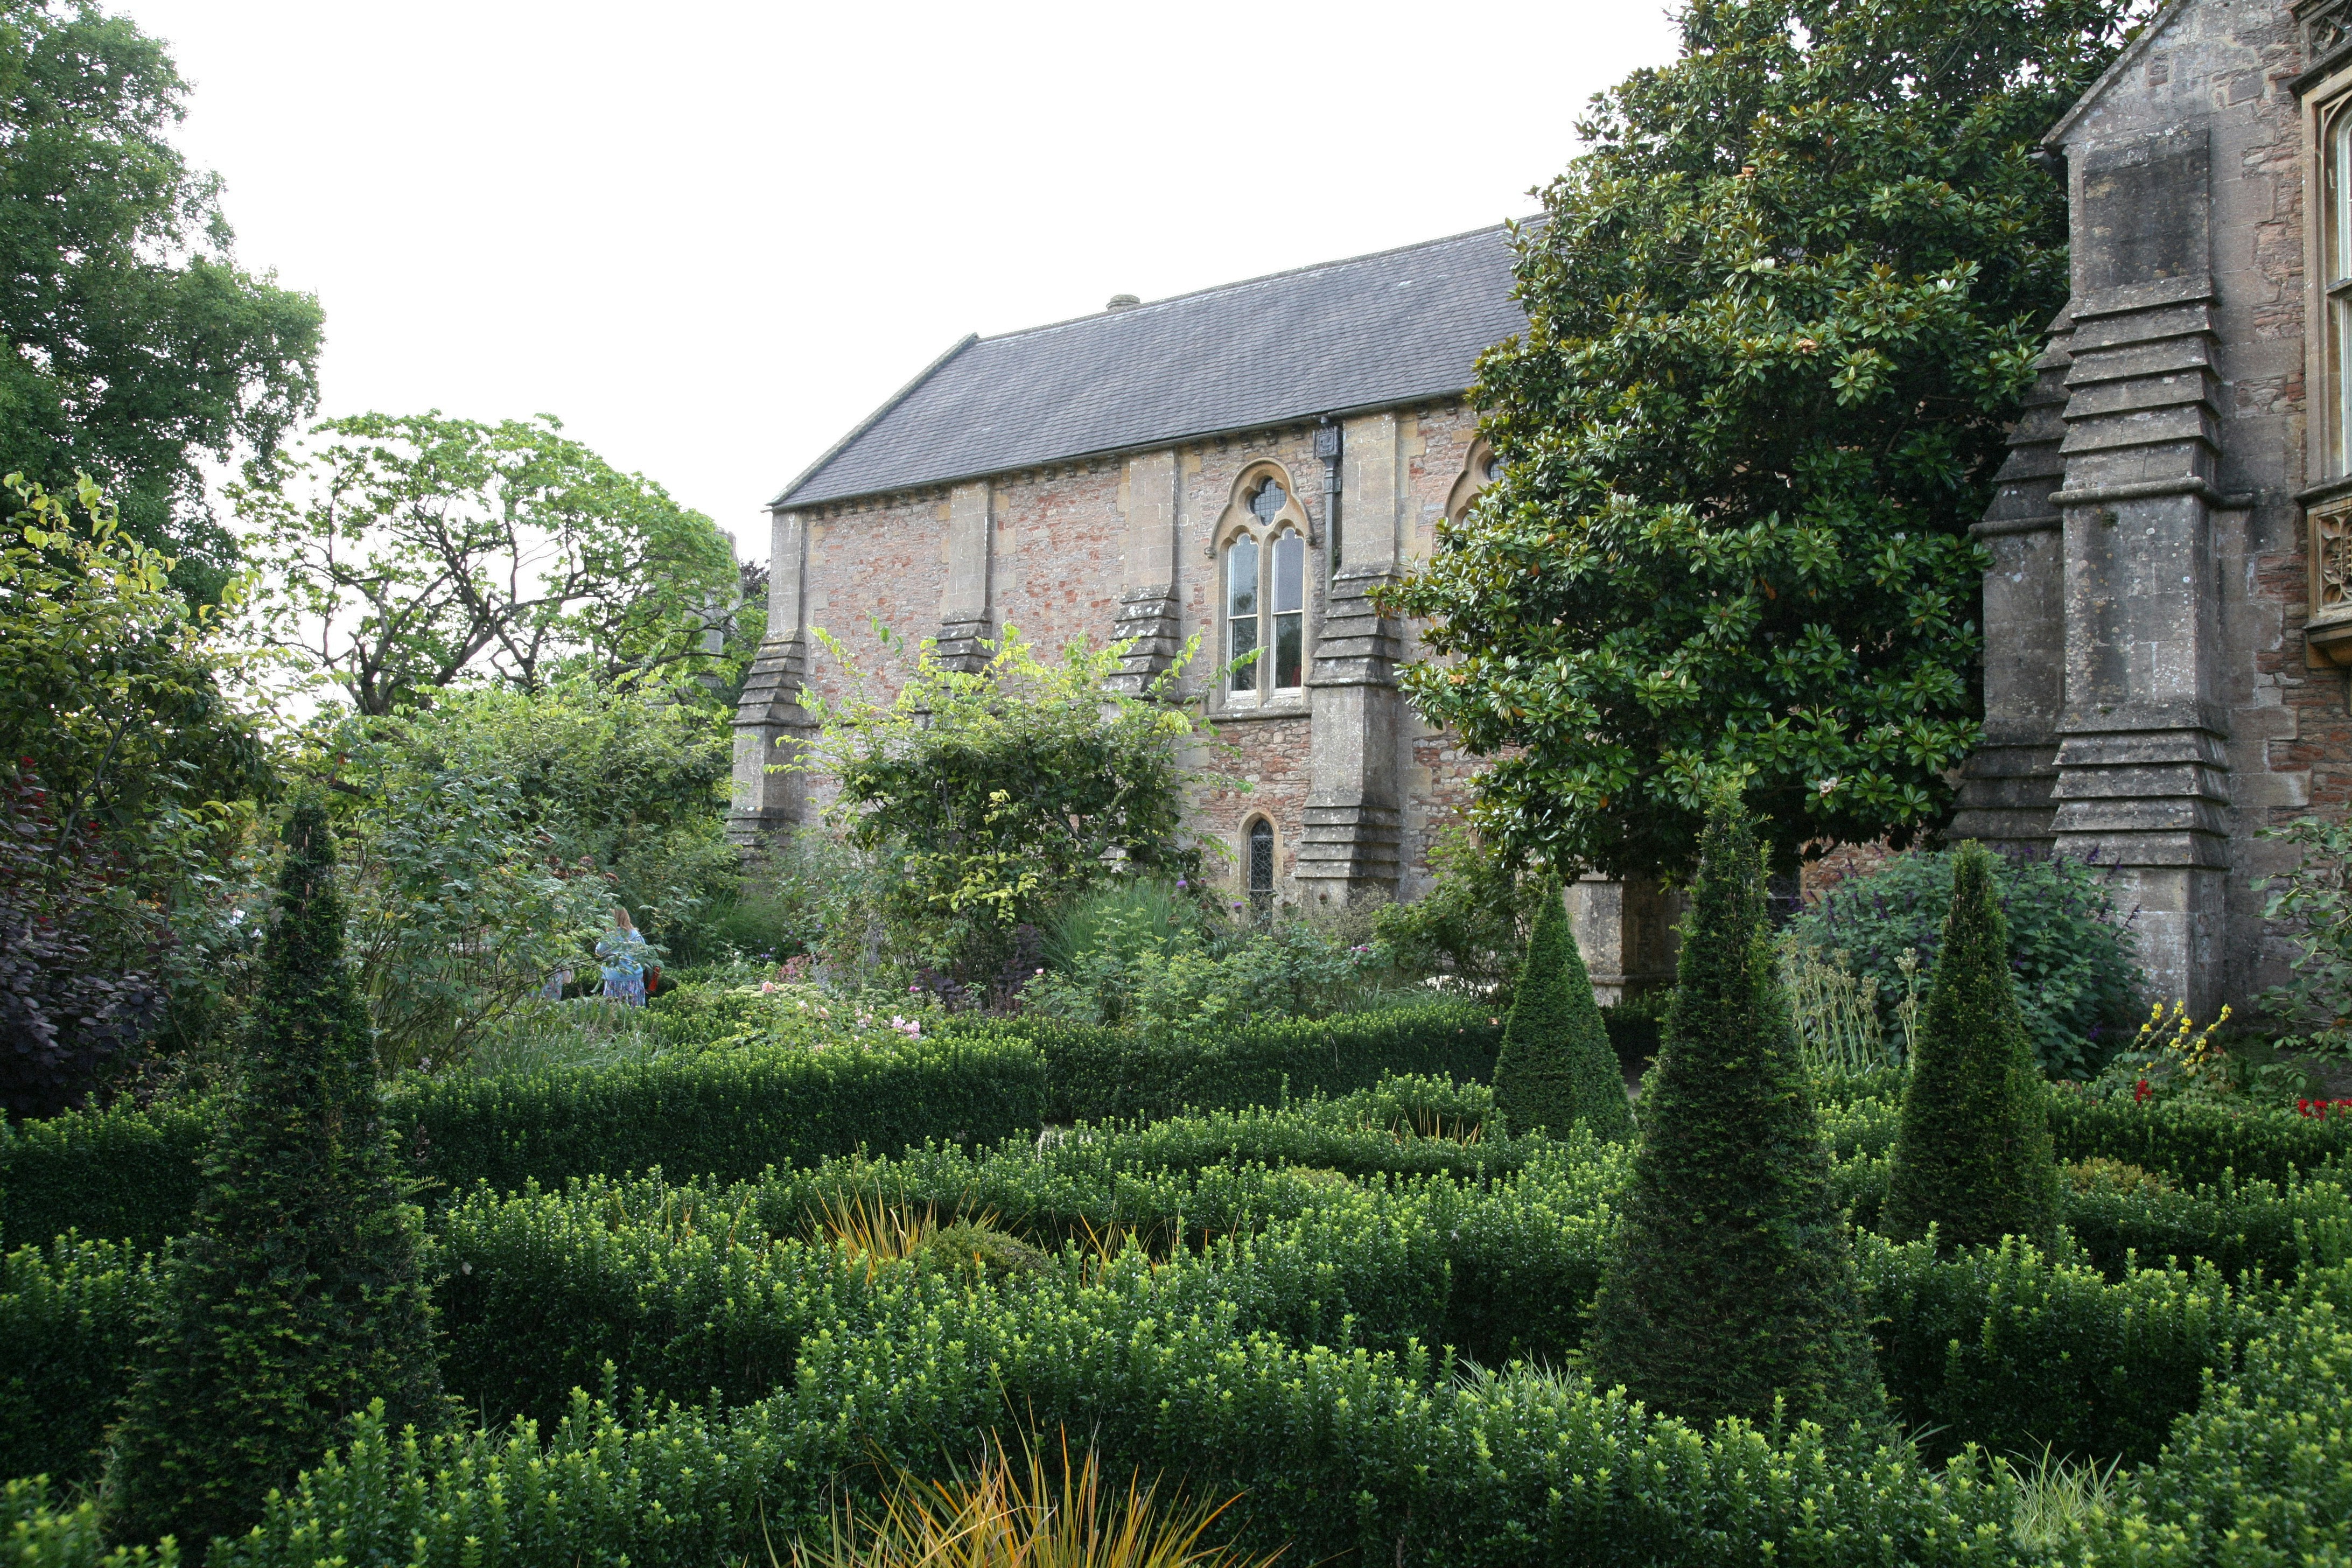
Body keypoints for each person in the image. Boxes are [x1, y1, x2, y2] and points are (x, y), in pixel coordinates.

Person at [596, 908, 652, 1008]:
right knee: (634, 1009)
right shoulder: (635, 934)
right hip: (634, 977)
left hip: (614, 977)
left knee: (613, 1009)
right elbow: (644, 953)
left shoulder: (609, 936)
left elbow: (599, 952)